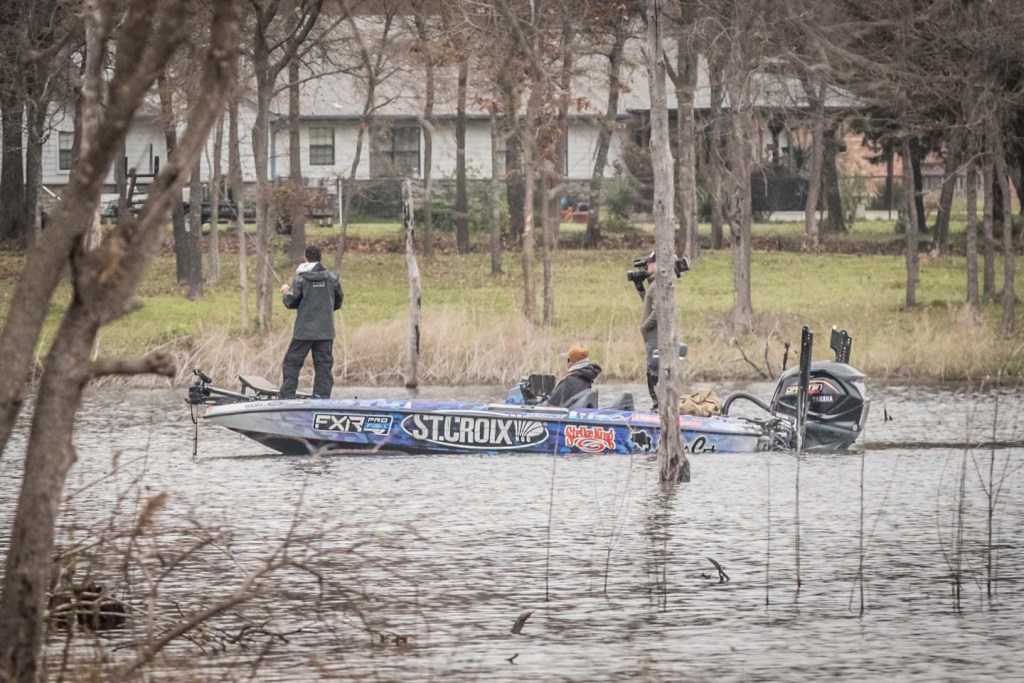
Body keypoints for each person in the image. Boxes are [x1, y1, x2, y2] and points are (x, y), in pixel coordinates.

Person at [279, 245, 344, 399]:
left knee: (292, 363)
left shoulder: (301, 279)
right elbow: (338, 300)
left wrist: (285, 293)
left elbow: (291, 302)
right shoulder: (332, 278)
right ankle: (321, 396)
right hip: (325, 330)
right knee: (323, 366)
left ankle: (287, 396)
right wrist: (325, 312)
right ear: (321, 258)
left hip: (304, 331)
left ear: (305, 257)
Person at [639, 253, 659, 410]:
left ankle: (659, 405)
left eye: (650, 263)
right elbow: (648, 304)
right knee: (651, 372)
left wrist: (644, 327)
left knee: (654, 374)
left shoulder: (658, 285)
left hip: (654, 338)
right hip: (651, 338)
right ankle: (657, 405)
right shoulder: (653, 285)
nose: (647, 266)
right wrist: (639, 287)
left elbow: (658, 311)